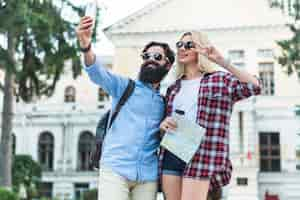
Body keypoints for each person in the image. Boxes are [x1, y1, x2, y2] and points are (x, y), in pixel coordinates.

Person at [76, 16, 175, 200]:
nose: (150, 60)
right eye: (146, 56)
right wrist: (86, 45)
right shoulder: (124, 87)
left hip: (147, 176)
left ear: (168, 64)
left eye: (157, 57)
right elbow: (97, 73)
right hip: (115, 170)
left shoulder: (165, 102)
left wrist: (163, 130)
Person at [158, 31, 261, 200]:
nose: (182, 48)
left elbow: (254, 86)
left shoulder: (219, 80)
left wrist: (221, 61)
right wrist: (164, 125)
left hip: (201, 155)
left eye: (189, 45)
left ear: (200, 48)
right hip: (172, 152)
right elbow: (166, 123)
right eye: (180, 45)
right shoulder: (173, 88)